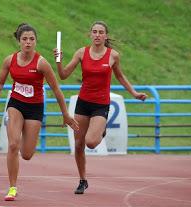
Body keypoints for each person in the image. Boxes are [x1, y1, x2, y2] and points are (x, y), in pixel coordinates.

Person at [0, 23, 79, 201]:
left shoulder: (41, 63)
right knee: (13, 145)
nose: (28, 42)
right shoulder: (9, 60)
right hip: (16, 103)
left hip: (35, 107)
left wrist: (66, 115)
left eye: (31, 39)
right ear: (19, 41)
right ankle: (12, 187)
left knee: (27, 154)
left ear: (36, 41)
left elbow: (57, 90)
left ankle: (23, 138)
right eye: (24, 39)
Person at [53, 21, 147, 194]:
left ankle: (101, 130)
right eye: (94, 32)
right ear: (90, 34)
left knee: (91, 142)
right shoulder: (82, 53)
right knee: (79, 144)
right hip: (83, 103)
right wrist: (58, 60)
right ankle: (82, 180)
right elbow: (63, 75)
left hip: (100, 105)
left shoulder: (113, 56)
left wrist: (134, 93)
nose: (97, 35)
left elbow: (120, 76)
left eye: (100, 32)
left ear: (105, 36)